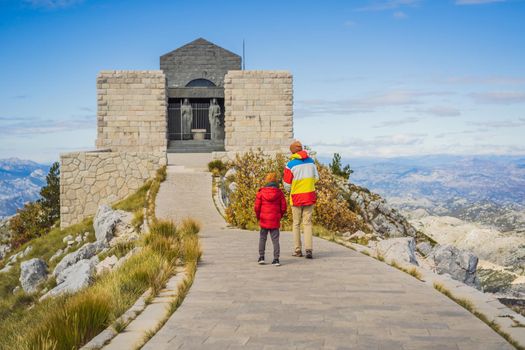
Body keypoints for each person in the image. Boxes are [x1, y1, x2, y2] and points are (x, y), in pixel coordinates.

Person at [283, 140, 319, 259]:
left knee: (296, 224)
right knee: (308, 224)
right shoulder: (311, 162)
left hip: (296, 197)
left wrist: (293, 189)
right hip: (309, 195)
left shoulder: (290, 165)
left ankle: (298, 250)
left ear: (293, 151)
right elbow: (316, 178)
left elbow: (287, 184)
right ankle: (309, 250)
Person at [254, 172, 287, 266]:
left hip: (264, 219)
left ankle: (261, 257)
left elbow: (257, 207)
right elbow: (284, 207)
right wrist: (279, 215)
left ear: (266, 180)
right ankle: (276, 259)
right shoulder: (279, 193)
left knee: (262, 238)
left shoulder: (261, 193)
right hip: (275, 219)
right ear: (276, 181)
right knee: (275, 239)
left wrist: (258, 216)